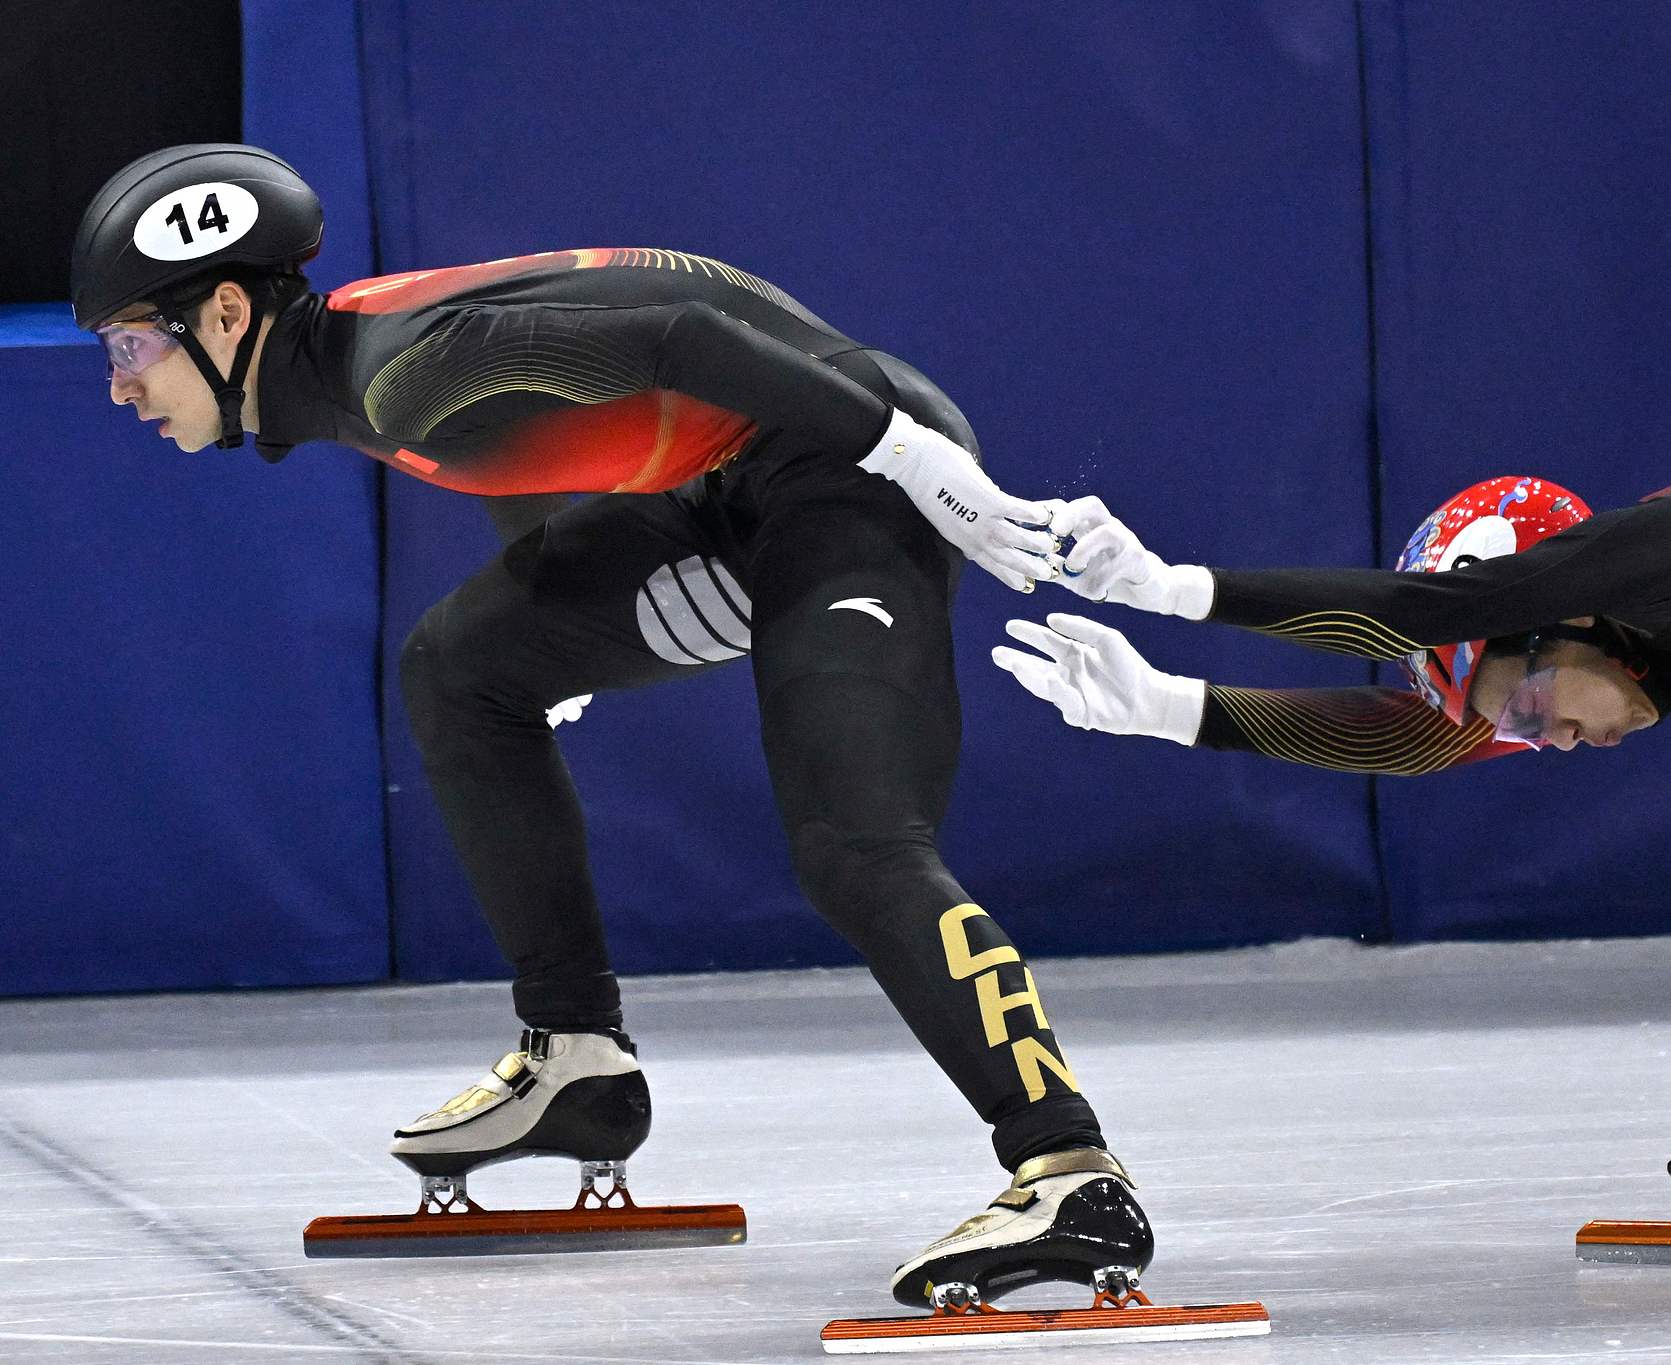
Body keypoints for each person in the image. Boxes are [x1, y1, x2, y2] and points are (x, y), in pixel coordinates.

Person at [72, 143, 1149, 1305]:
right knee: (459, 670)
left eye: (129, 347)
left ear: (227, 315)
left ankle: (1068, 1171)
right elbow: (529, 428)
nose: (120, 387)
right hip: (731, 479)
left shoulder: (399, 372)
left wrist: (916, 459)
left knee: (855, 843)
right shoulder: (357, 359)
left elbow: (679, 337)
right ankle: (576, 1059)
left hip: (853, 473)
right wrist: (544, 613)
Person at [1000, 450, 1671, 1217]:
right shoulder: (1667, 624)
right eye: (1523, 731)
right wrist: (1170, 708)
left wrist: (1174, 589)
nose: (1548, 744)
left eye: (1532, 711)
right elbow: (1420, 738)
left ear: (1563, 612)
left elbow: (1433, 608)